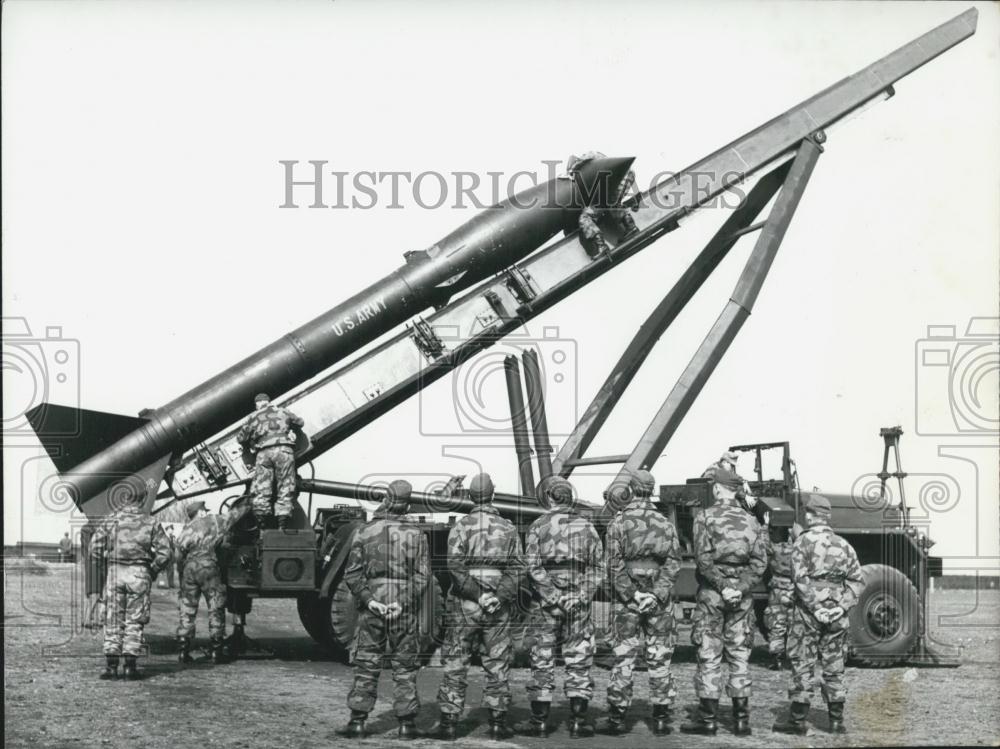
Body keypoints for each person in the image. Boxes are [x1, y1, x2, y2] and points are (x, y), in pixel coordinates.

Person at [435, 473, 524, 740]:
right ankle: (497, 724)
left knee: (456, 659)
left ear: (471, 496)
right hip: (498, 602)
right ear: (493, 495)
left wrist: (476, 594)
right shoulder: (508, 528)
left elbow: (454, 565)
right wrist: (498, 595)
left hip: (465, 602)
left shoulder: (461, 526)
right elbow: (519, 567)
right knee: (497, 660)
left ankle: (450, 723)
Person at [680, 467, 767, 737]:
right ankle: (741, 722)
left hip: (712, 595)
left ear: (717, 488)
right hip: (742, 597)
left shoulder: (704, 517)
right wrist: (739, 587)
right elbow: (760, 563)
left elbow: (703, 561)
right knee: (740, 654)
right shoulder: (752, 522)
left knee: (709, 653)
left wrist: (723, 586)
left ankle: (708, 721)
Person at [342, 480, 430, 739]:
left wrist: (370, 600)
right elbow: (423, 576)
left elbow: (353, 574)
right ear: (407, 503)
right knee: (405, 666)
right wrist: (401, 602)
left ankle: (358, 721)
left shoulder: (364, 531)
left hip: (373, 606)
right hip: (402, 607)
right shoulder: (417, 535)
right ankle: (406, 724)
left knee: (367, 662)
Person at [518, 477, 604, 738]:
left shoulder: (538, 526)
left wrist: (552, 594)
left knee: (542, 657)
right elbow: (598, 567)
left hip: (546, 604)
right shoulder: (588, 527)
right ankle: (578, 721)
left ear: (551, 498)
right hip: (578, 602)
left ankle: (539, 722)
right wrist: (579, 595)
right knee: (579, 657)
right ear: (570, 498)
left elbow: (531, 565)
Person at [773, 495, 864, 736]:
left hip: (807, 613)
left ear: (810, 515)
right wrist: (840, 607)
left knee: (803, 662)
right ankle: (836, 721)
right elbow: (856, 580)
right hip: (836, 612)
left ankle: (798, 721)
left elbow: (799, 579)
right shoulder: (845, 545)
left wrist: (815, 607)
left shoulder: (802, 542)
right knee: (834, 664)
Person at [603, 470, 681, 736]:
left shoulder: (619, 522)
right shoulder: (665, 523)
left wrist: (632, 594)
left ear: (632, 490)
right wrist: (656, 593)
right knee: (660, 656)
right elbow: (673, 562)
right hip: (659, 599)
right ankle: (660, 718)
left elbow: (613, 564)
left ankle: (616, 719)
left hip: (627, 600)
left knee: (624, 655)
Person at [88, 480, 171, 680]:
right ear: (143, 498)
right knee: (135, 620)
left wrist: (105, 567)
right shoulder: (151, 522)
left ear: (125, 497)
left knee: (113, 618)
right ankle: (130, 667)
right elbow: (165, 553)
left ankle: (110, 666)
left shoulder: (111, 520)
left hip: (115, 572)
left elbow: (94, 549)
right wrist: (152, 570)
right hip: (139, 573)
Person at [175, 498, 251, 664]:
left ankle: (183, 650)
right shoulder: (214, 522)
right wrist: (248, 502)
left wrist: (183, 571)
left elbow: (178, 554)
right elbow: (233, 516)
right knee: (215, 606)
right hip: (208, 567)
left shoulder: (186, 529)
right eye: (205, 510)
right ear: (201, 512)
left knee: (187, 608)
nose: (207, 512)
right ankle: (217, 651)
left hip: (189, 568)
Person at [236, 392, 305, 530]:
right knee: (285, 485)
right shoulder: (282, 411)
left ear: (257, 404)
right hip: (284, 451)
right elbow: (300, 422)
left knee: (262, 488)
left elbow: (240, 438)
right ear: (268, 401)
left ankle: (262, 527)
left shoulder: (252, 417)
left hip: (264, 453)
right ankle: (282, 524)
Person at [568, 151, 639, 256]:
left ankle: (601, 246)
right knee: (613, 202)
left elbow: (579, 163)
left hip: (620, 175)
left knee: (585, 216)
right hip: (628, 173)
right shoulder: (601, 158)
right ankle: (631, 226)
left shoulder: (588, 156)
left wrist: (571, 171)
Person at [764, 522, 800, 670]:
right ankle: (793, 658)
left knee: (776, 623)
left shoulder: (775, 548)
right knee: (794, 624)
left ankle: (776, 657)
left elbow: (763, 544)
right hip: (794, 590)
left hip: (778, 589)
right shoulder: (798, 550)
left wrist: (764, 526)